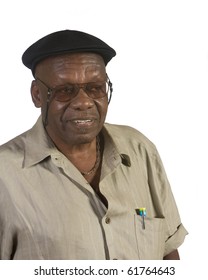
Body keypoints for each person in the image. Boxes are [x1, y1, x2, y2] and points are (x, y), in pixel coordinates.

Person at [0, 30, 187, 260]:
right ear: (37, 95)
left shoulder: (140, 150)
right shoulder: (5, 175)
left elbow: (168, 251)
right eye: (65, 91)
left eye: (95, 88)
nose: (84, 102)